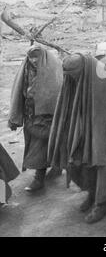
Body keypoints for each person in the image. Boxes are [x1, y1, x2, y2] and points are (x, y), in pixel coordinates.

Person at [48, 54, 106, 224]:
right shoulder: (72, 81)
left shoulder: (103, 78)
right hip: (80, 134)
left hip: (102, 137)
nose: (71, 79)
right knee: (82, 167)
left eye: (74, 74)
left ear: (83, 70)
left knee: (102, 171)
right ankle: (91, 193)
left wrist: (102, 135)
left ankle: (101, 204)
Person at [8, 45, 63, 192]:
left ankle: (39, 179)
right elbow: (19, 91)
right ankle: (56, 166)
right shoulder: (25, 68)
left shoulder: (53, 66)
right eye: (30, 57)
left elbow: (57, 91)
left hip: (47, 116)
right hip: (30, 114)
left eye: (36, 57)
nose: (33, 60)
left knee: (40, 146)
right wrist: (15, 117)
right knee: (38, 144)